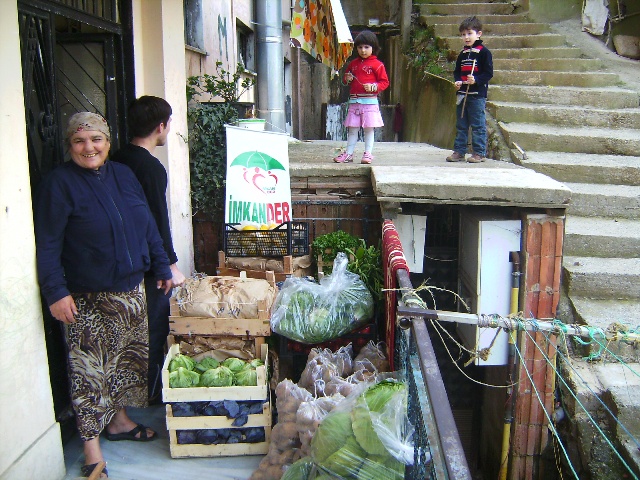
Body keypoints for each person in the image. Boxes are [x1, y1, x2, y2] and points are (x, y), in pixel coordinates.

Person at [34, 112, 174, 478]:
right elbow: (47, 244)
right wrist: (55, 292)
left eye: (96, 139)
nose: (89, 148)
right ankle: (91, 451)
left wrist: (161, 265)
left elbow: (147, 224)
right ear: (70, 146)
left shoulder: (124, 175)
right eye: (79, 141)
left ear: (108, 142)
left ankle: (119, 422)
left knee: (125, 365)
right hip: (86, 296)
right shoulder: (59, 184)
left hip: (129, 289)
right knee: (89, 374)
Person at [111, 96, 186, 402]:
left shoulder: (116, 158)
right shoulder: (150, 168)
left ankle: (126, 393)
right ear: (161, 126)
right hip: (146, 262)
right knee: (154, 327)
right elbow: (156, 218)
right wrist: (168, 264)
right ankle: (151, 394)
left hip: (119, 260)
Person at [333, 30, 389, 165]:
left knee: (369, 129)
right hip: (354, 102)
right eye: (360, 47)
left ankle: (368, 154)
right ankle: (349, 154)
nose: (363, 50)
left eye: (366, 47)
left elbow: (385, 82)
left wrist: (374, 87)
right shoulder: (353, 64)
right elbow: (345, 81)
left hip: (369, 102)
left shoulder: (378, 65)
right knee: (352, 129)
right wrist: (347, 78)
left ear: (373, 48)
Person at [446, 16, 493, 163]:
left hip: (477, 95)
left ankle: (479, 153)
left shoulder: (484, 53)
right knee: (461, 124)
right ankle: (459, 151)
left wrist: (476, 80)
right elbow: (457, 72)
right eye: (463, 34)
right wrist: (458, 81)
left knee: (478, 124)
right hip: (462, 95)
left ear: (478, 34)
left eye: (469, 33)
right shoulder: (463, 54)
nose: (466, 37)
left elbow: (488, 73)